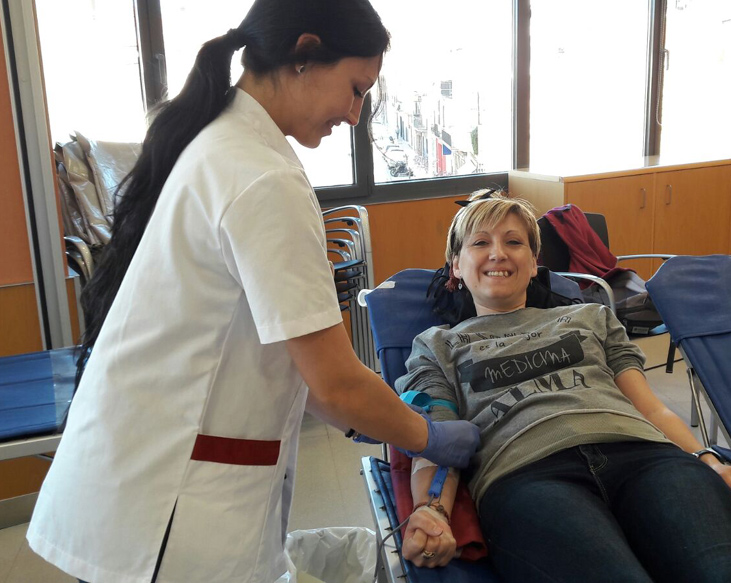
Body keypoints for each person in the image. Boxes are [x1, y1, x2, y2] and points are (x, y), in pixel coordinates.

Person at [26, 2, 479, 582]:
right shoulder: (263, 176)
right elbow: (335, 381)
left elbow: (296, 365)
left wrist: (379, 421)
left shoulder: (224, 145)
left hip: (141, 484)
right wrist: (431, 436)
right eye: (355, 88)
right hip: (164, 509)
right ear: (304, 54)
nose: (354, 112)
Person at [397, 190, 731, 582]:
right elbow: (434, 440)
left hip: (647, 457)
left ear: (534, 262)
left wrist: (707, 458)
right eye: (480, 243)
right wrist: (431, 509)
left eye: (513, 242)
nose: (498, 253)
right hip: (528, 476)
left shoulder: (590, 316)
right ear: (455, 265)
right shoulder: (437, 344)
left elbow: (651, 407)